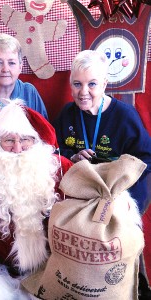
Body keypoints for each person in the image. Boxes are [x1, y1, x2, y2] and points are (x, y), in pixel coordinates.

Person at [0, 100, 72, 300]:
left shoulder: (61, 168)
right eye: (9, 140)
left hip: (54, 270)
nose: (17, 148)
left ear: (37, 141)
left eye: (26, 139)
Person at [53, 49, 151, 214]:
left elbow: (146, 158)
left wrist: (120, 180)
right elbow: (54, 150)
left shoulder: (125, 116)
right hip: (81, 192)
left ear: (104, 84)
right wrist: (72, 156)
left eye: (92, 84)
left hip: (119, 195)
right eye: (77, 84)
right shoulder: (66, 114)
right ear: (70, 85)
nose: (83, 92)